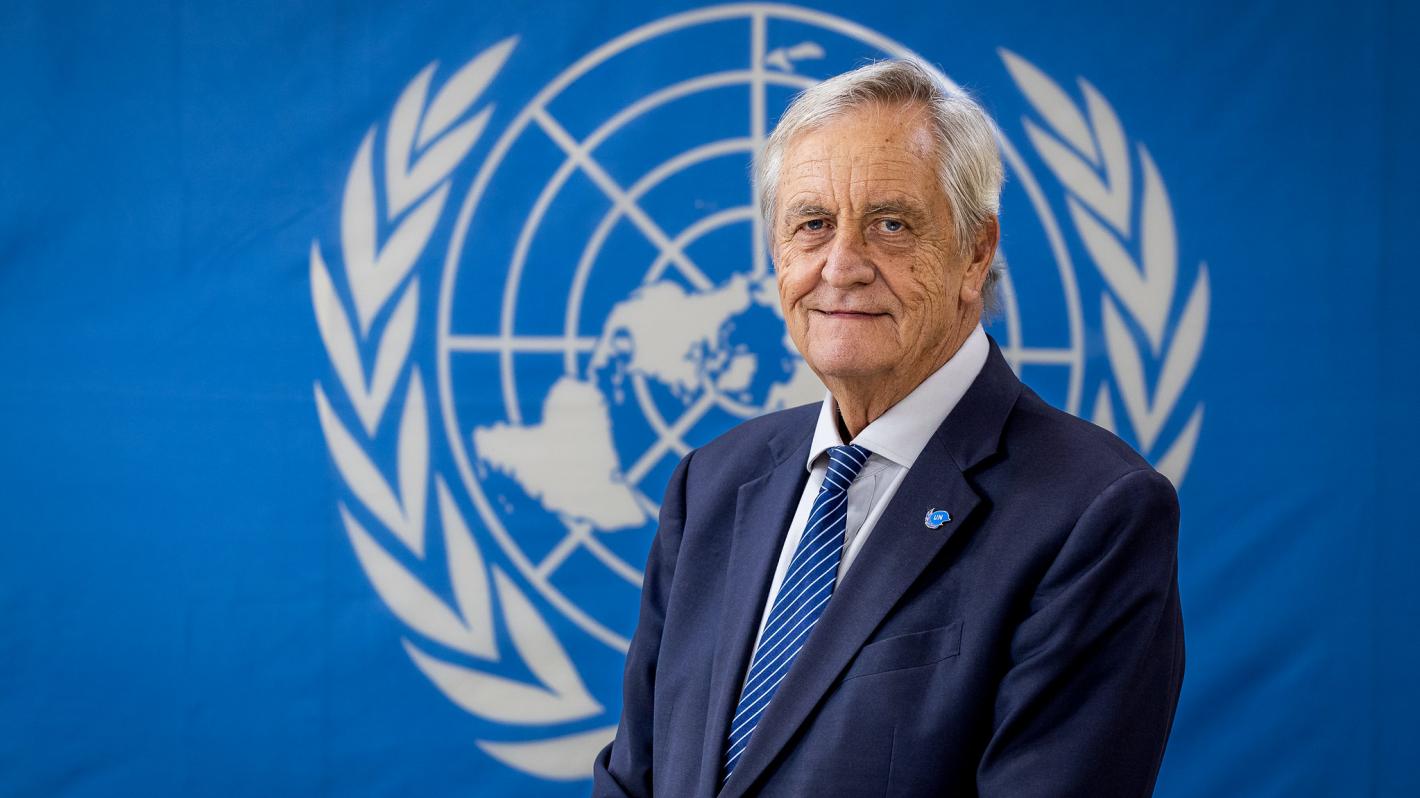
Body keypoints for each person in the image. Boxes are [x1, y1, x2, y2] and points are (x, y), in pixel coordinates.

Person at [591, 58, 1184, 797]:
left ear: (975, 253)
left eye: (891, 225)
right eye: (813, 225)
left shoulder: (1093, 512)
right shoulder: (711, 483)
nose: (842, 266)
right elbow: (634, 778)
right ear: (777, 251)